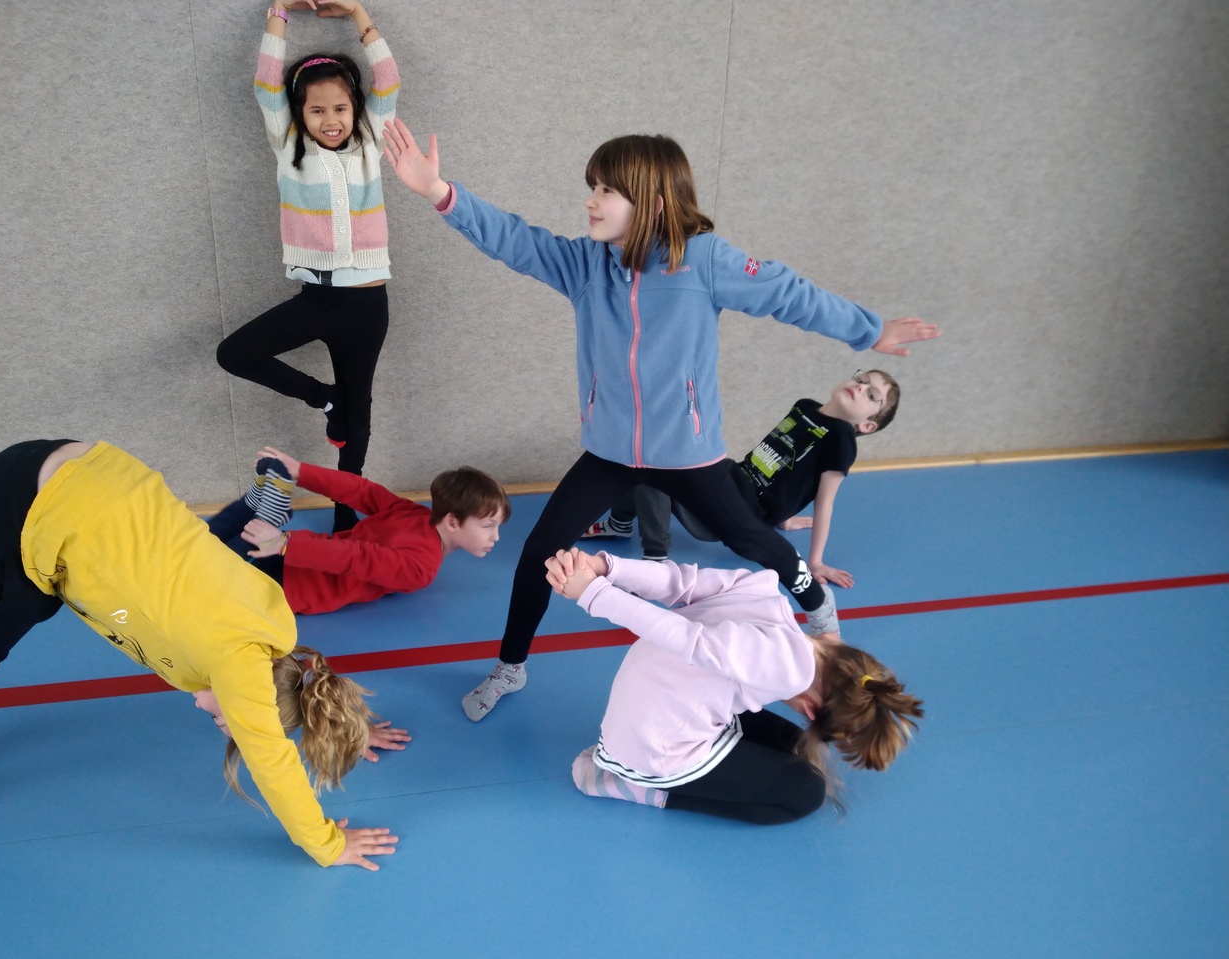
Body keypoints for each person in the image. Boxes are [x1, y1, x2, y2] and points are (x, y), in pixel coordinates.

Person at [381, 117, 941, 721]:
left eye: (607, 190)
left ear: (651, 200)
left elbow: (789, 294)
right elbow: (513, 239)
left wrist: (870, 330)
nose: (591, 201)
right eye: (593, 187)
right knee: (540, 551)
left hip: (687, 453)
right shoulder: (586, 265)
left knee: (752, 539)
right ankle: (510, 667)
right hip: (609, 452)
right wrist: (438, 192)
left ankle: (818, 604)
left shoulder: (704, 262)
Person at [0, 440, 399, 872]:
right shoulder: (236, 665)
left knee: (20, 609)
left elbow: (302, 687)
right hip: (24, 505)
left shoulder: (270, 622)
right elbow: (271, 758)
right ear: (246, 699)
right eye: (227, 720)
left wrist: (348, 724)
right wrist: (327, 844)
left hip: (81, 469)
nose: (212, 716)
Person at [546, 548, 923, 824]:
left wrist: (606, 567)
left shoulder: (765, 594)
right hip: (653, 747)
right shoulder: (789, 669)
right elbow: (688, 639)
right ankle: (640, 787)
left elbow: (680, 583)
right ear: (811, 710)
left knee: (794, 746)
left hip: (652, 709)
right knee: (806, 794)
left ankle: (634, 763)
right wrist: (594, 592)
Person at [216, 0, 400, 534]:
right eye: (317, 111)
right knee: (235, 353)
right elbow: (266, 83)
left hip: (367, 305)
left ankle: (345, 519)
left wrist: (359, 13)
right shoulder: (287, 142)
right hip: (317, 301)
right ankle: (325, 398)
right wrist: (279, 11)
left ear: (355, 109)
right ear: (299, 116)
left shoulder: (371, 139)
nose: (330, 120)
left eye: (340, 108)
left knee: (359, 416)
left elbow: (388, 80)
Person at [584, 368, 899, 589]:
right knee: (642, 456)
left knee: (655, 469)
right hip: (731, 478)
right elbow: (781, 463)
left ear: (867, 426)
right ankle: (620, 523)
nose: (860, 387)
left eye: (871, 394)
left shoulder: (842, 438)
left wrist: (815, 562)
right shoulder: (805, 407)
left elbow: (825, 501)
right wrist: (784, 516)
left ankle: (655, 561)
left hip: (738, 513)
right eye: (861, 379)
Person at [206, 446, 509, 614]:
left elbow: (363, 492)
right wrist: (285, 542)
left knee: (205, 549)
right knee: (205, 579)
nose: (495, 537)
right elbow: (356, 557)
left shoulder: (414, 514)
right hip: (291, 587)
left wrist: (301, 472)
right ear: (452, 521)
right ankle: (263, 510)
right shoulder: (422, 568)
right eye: (487, 526)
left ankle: (252, 504)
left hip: (291, 556)